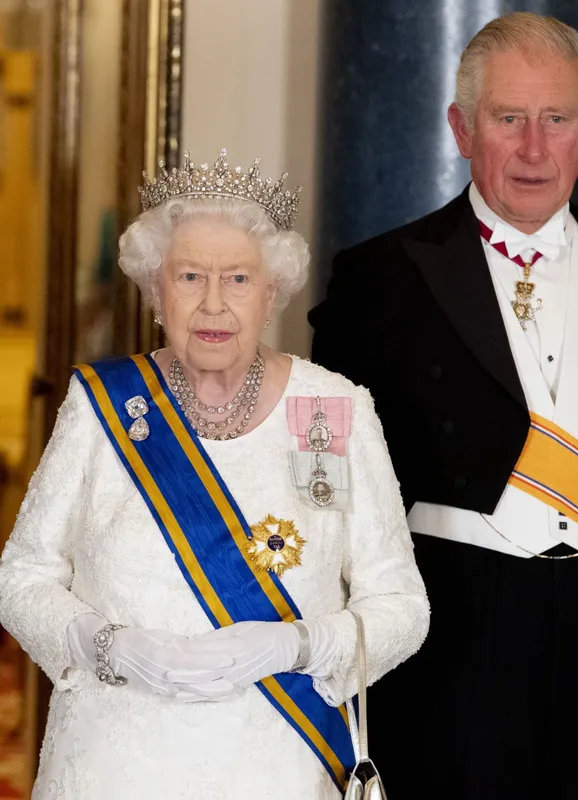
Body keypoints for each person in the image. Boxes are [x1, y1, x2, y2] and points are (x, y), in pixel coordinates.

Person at [309, 13, 578, 800]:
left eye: (555, 120)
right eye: (507, 118)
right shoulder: (381, 277)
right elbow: (330, 476)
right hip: (454, 624)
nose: (532, 147)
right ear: (459, 127)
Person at [0, 149, 429, 799]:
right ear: (155, 291)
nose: (211, 304)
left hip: (277, 765)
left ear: (271, 291)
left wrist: (296, 645)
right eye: (189, 276)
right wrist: (105, 645)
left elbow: (401, 607)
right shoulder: (103, 405)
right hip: (110, 765)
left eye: (236, 279)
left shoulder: (330, 409)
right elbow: (21, 577)